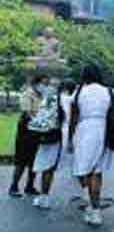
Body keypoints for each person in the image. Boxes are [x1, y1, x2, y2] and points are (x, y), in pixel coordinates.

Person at [68, 65, 114, 227]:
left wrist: (70, 139)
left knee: (85, 170)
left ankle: (91, 204)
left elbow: (73, 118)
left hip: (85, 130)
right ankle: (95, 211)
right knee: (97, 172)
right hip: (105, 130)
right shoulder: (109, 91)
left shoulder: (79, 92)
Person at [31, 79, 73, 209]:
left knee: (47, 168)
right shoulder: (71, 100)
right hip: (63, 135)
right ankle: (86, 197)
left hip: (49, 134)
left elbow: (40, 116)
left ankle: (44, 198)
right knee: (52, 167)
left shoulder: (50, 99)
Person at [8, 74, 46, 198]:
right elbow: (27, 113)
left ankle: (30, 186)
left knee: (35, 160)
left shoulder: (42, 96)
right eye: (43, 83)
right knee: (22, 159)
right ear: (36, 83)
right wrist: (40, 121)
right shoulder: (27, 94)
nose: (44, 86)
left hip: (37, 130)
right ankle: (14, 186)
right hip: (26, 130)